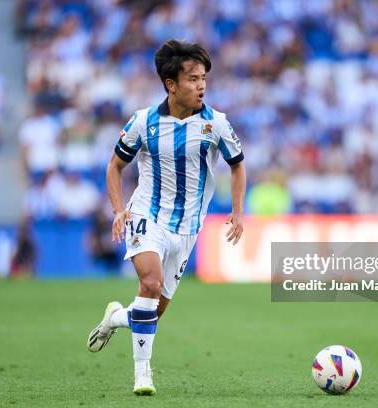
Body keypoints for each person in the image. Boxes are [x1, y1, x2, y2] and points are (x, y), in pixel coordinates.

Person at [86, 39, 246, 396]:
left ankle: (115, 317)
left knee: (151, 314)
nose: (201, 85)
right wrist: (118, 209)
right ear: (171, 84)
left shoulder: (216, 124)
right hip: (147, 216)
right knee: (151, 284)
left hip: (188, 228)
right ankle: (143, 375)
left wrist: (237, 212)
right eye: (192, 78)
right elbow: (115, 166)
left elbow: (237, 166)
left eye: (203, 77)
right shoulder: (143, 122)